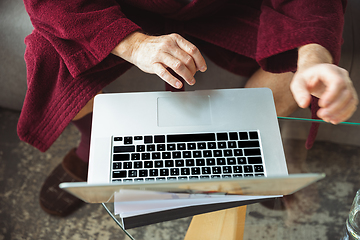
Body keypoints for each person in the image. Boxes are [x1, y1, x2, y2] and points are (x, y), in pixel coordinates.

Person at [19, 0, 358, 216]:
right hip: (121, 6)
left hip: (231, 8)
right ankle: (93, 144)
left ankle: (235, 151)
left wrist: (314, 56)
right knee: (49, 53)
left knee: (296, 67)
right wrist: (134, 45)